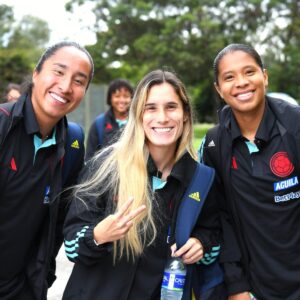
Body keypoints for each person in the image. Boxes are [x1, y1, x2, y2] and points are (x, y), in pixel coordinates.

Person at [62, 69, 224, 299]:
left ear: (185, 114)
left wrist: (202, 244)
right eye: (151, 108)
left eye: (171, 107)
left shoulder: (202, 179)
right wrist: (99, 235)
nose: (162, 118)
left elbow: (213, 240)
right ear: (138, 114)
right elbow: (71, 246)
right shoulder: (105, 167)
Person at [199, 43, 300, 300]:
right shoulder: (214, 144)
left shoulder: (295, 125)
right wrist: (237, 286)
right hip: (256, 287)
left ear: (264, 76)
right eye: (229, 77)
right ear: (219, 89)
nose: (241, 82)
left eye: (249, 72)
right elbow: (223, 218)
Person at [0, 41, 94, 300]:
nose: (65, 87)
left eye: (79, 80)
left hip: (26, 288)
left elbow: (61, 217)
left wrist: (44, 274)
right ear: (36, 73)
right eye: (59, 71)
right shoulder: (3, 125)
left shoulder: (73, 142)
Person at [85, 78, 134, 160]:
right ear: (110, 98)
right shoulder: (99, 124)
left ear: (132, 98)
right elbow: (89, 157)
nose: (122, 100)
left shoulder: (139, 122)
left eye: (126, 96)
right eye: (117, 96)